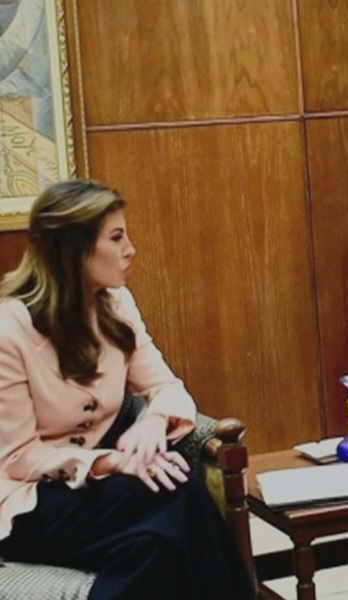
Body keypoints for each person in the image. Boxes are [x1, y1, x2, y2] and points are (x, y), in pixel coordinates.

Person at [0, 179, 254, 600]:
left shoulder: (116, 304)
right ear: (75, 249)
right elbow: (18, 457)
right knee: (179, 487)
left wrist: (154, 420)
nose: (131, 249)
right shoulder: (9, 330)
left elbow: (167, 387)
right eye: (117, 237)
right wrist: (110, 462)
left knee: (154, 547)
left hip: (96, 497)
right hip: (28, 503)